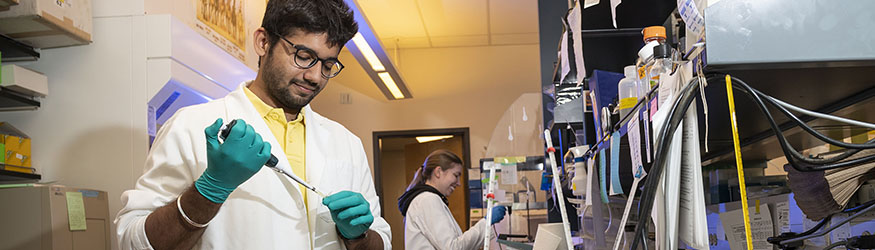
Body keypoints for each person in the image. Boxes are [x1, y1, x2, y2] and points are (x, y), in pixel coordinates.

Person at [115, 0, 391, 249]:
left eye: (328, 65)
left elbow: (381, 239)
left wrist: (359, 237)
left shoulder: (347, 143)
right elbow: (133, 241)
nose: (316, 77)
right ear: (263, 42)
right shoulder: (189, 126)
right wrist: (210, 189)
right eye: (304, 56)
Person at [398, 149, 507, 250]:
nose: (458, 183)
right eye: (456, 175)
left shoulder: (429, 199)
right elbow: (452, 247)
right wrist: (486, 222)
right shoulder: (427, 200)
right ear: (438, 172)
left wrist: (486, 224)